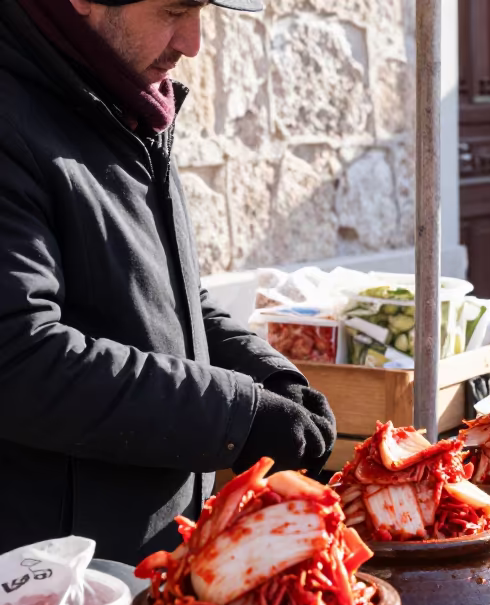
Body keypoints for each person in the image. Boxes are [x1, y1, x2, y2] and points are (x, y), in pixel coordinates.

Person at [0, 0, 337, 565]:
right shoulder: (14, 119)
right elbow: (18, 357)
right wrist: (238, 416)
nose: (194, 42)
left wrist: (268, 376)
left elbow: (172, 301)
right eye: (175, 10)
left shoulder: (125, 103)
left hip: (145, 564)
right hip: (51, 589)